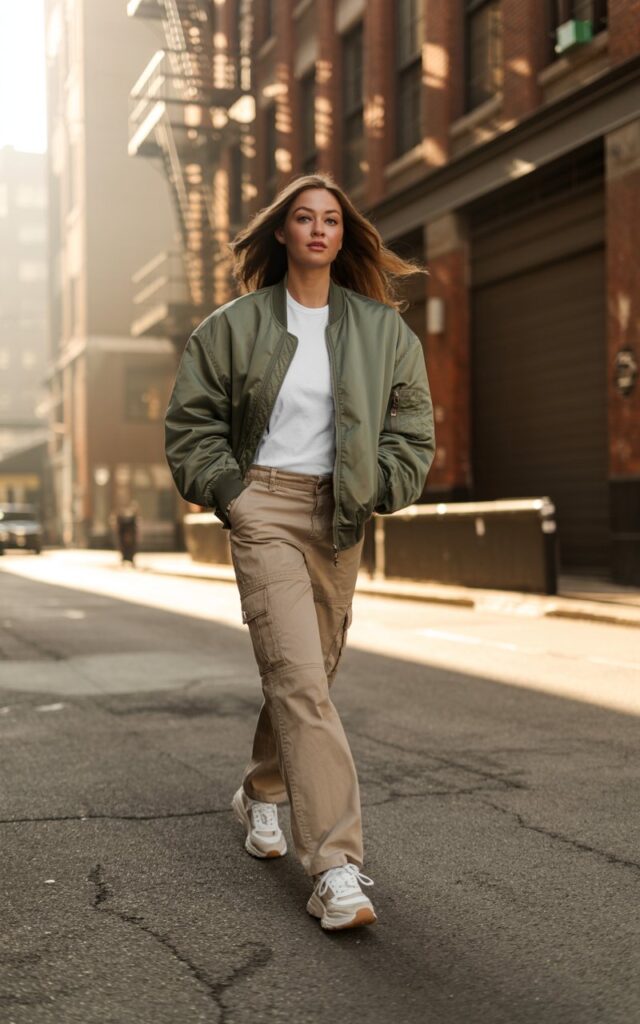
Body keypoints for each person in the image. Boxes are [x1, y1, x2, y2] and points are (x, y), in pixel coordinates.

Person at [164, 172, 435, 931]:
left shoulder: (383, 333)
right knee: (299, 679)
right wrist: (235, 494)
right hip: (265, 510)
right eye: (304, 218)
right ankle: (337, 869)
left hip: (339, 516)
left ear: (344, 237)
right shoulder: (231, 327)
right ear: (281, 231)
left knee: (306, 677)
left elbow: (412, 429)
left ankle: (262, 789)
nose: (319, 229)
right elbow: (191, 426)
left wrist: (378, 486)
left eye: (332, 220)